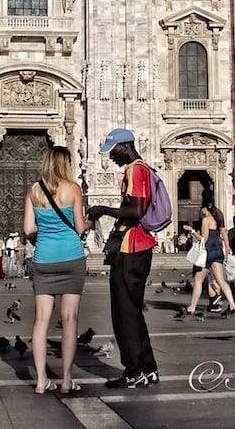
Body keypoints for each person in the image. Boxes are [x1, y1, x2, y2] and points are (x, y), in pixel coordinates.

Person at [86, 128, 159, 390]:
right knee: (133, 311)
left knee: (124, 313)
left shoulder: (135, 169)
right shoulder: (143, 168)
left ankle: (134, 371)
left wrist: (103, 210)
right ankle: (147, 368)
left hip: (132, 247)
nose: (112, 158)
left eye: (113, 151)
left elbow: (137, 210)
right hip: (138, 247)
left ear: (125, 146)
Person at [23, 145, 90, 395]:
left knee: (41, 320)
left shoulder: (35, 190)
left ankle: (41, 380)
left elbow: (28, 229)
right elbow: (81, 227)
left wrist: (46, 233)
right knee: (70, 319)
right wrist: (89, 221)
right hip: (72, 258)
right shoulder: (73, 189)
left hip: (44, 259)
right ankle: (66, 380)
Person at [177, 189, 235, 319]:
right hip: (218, 251)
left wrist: (192, 230)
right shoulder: (219, 216)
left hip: (208, 252)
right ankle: (232, 305)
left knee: (198, 280)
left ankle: (192, 307)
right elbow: (224, 233)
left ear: (205, 208)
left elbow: (203, 238)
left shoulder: (206, 220)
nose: (201, 212)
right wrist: (227, 247)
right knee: (221, 280)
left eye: (202, 210)